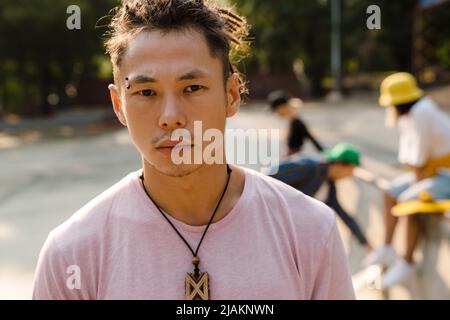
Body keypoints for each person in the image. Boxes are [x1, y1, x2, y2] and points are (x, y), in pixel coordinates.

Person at [32, 0, 354, 300]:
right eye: (146, 92)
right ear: (119, 105)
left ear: (231, 94)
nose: (171, 117)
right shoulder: (71, 255)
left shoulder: (310, 231)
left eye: (193, 88)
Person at [363, 72, 450, 289]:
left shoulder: (422, 113)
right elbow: (410, 159)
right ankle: (387, 247)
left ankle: (407, 261)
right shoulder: (411, 115)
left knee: (409, 201)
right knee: (390, 191)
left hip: (445, 174)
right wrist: (417, 181)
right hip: (431, 172)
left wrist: (418, 187)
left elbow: (417, 163)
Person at [269, 143, 372, 252]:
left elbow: (342, 213)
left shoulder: (328, 183)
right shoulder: (311, 166)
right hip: (272, 222)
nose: (349, 176)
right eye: (351, 170)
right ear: (341, 164)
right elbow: (270, 175)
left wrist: (364, 242)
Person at [267, 90, 324, 156]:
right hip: (290, 156)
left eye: (275, 110)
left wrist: (325, 154)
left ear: (282, 107)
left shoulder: (297, 123)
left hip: (294, 158)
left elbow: (312, 139)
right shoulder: (291, 122)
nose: (275, 113)